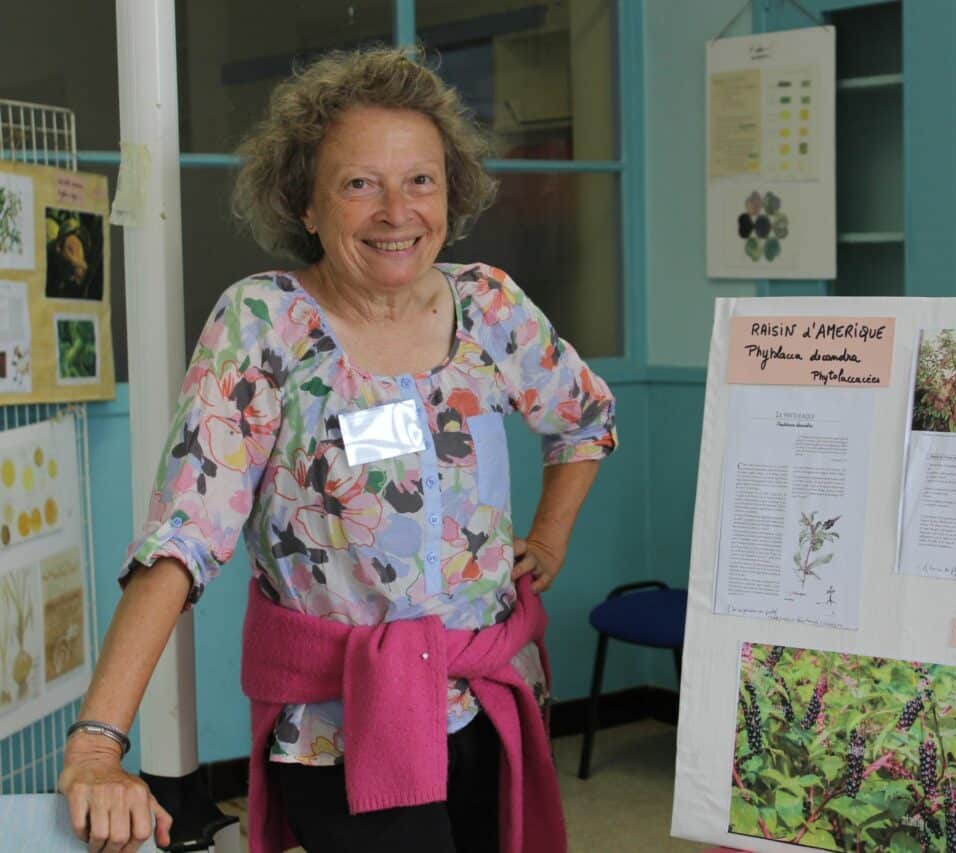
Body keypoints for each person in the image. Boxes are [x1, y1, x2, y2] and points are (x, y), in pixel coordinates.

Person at [58, 44, 617, 853]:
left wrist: (550, 539)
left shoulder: (489, 304)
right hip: (341, 719)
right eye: (360, 184)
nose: (398, 211)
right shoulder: (264, 324)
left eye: (420, 180)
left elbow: (584, 418)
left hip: (488, 697)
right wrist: (98, 745)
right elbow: (183, 535)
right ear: (306, 205)